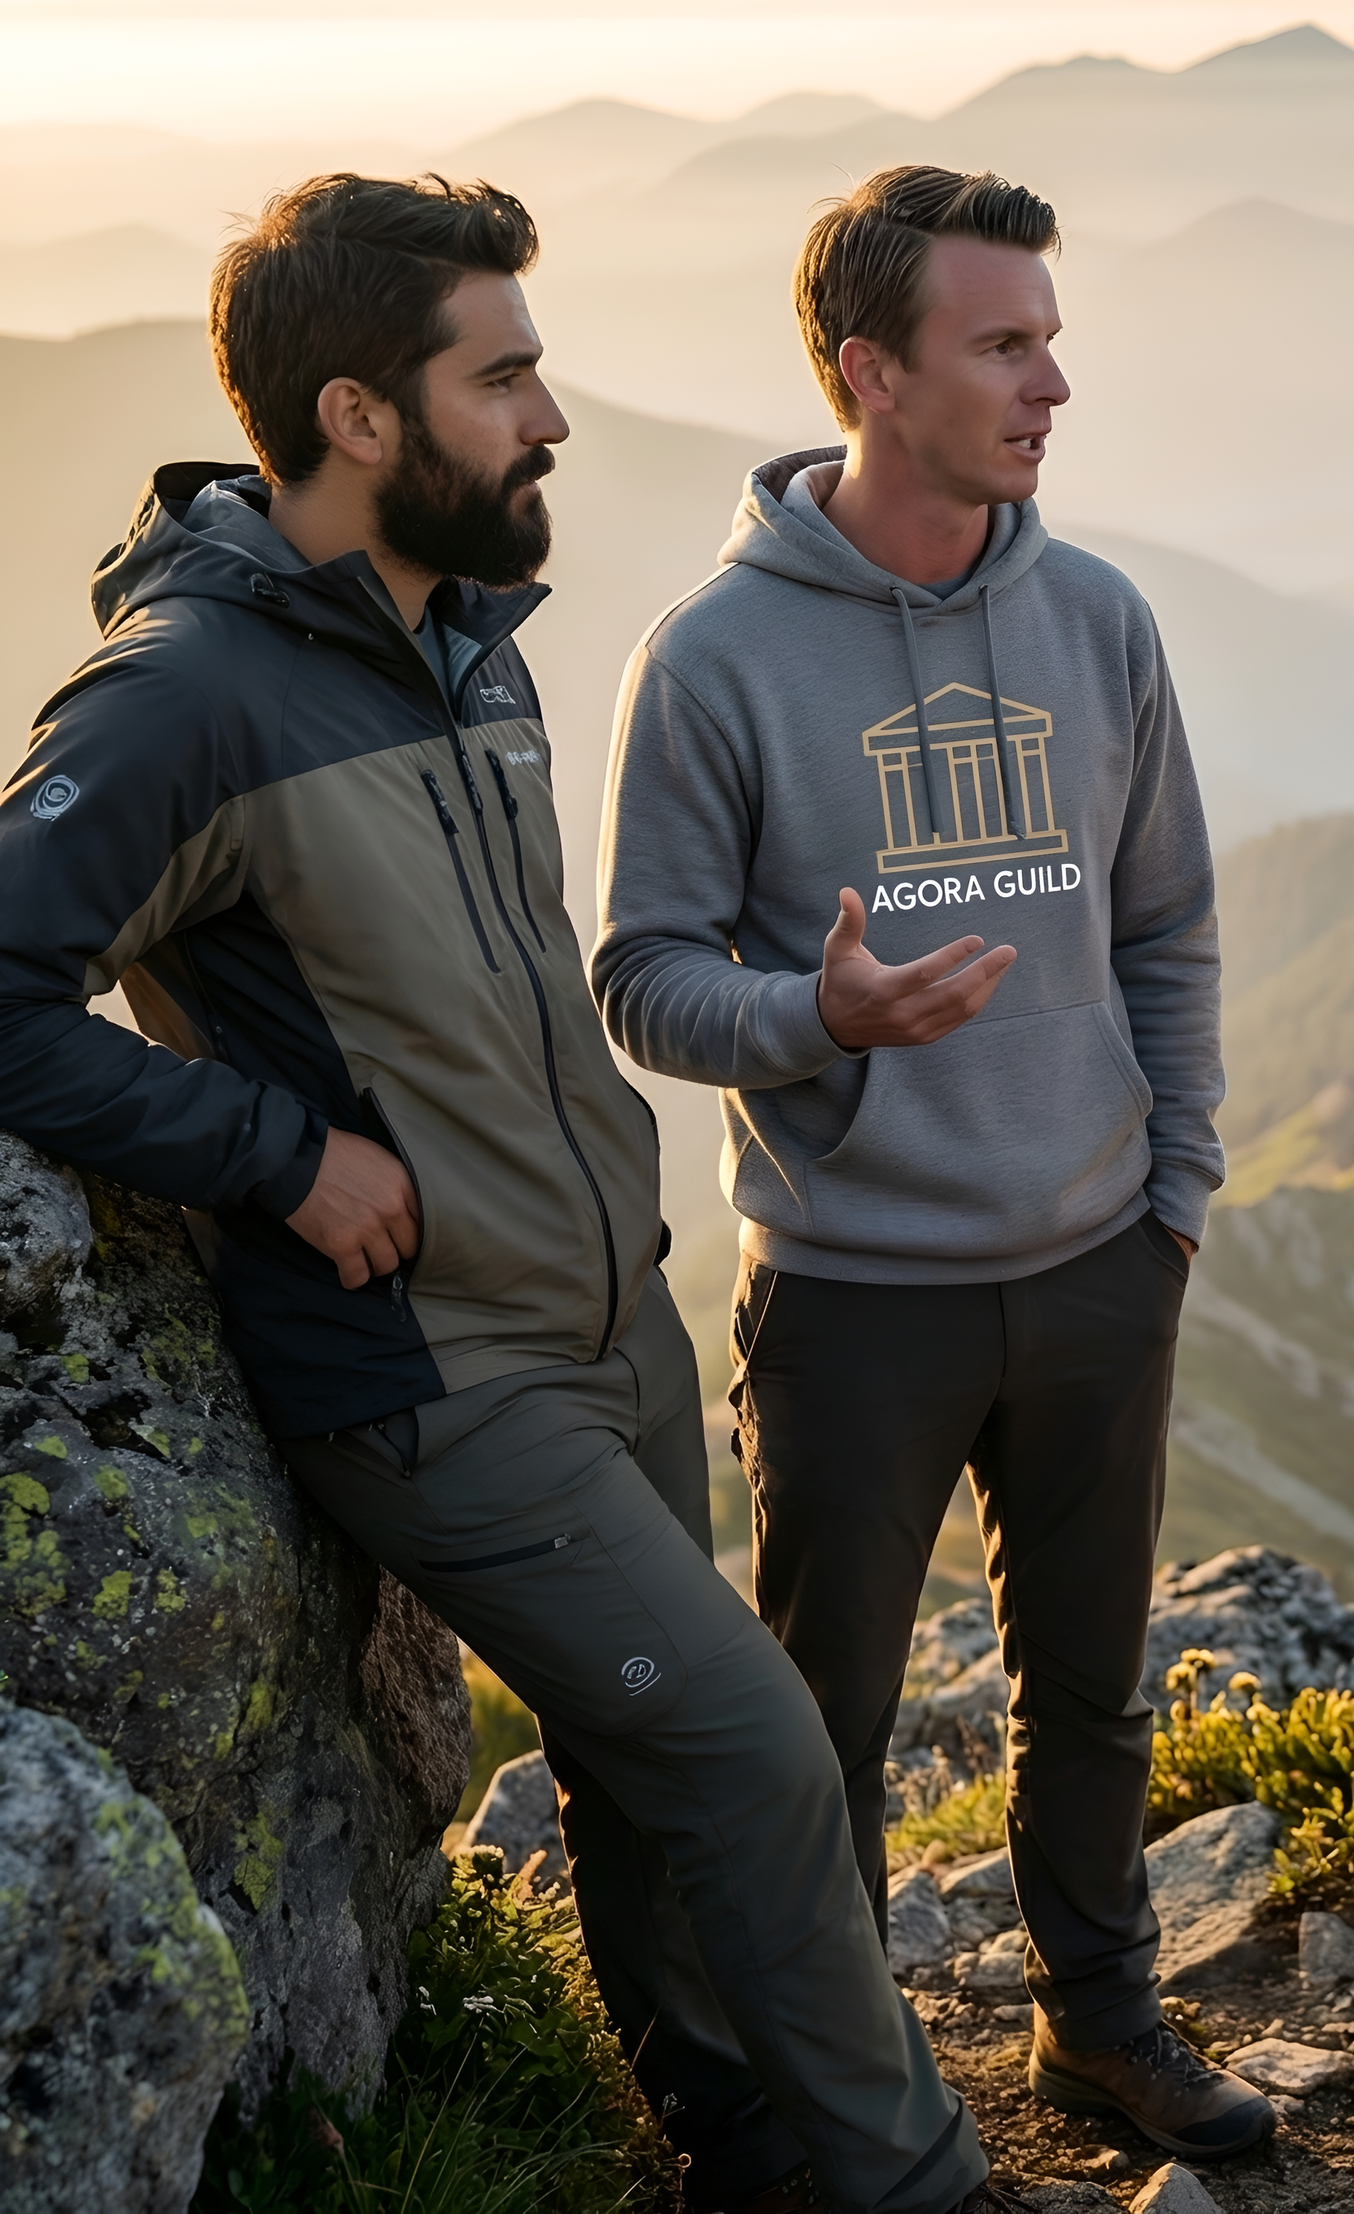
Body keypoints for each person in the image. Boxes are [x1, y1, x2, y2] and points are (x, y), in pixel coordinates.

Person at [0, 173, 1004, 2214]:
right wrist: (276, 1152)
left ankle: (746, 2146)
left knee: (666, 1773)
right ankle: (916, 2184)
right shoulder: (185, 695)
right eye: (506, 374)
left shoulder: (463, 639)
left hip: (611, 1313)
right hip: (430, 1367)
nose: (552, 415)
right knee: (748, 1749)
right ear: (359, 415)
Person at [592, 165, 1268, 2163]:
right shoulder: (713, 655)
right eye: (1004, 342)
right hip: (851, 1288)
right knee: (823, 1725)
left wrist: (1174, 1192)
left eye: (1046, 335)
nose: (1050, 379)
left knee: (1091, 1688)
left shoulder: (1095, 614)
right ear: (867, 369)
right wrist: (821, 1020)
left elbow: (1167, 924)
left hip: (1093, 1258)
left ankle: (1098, 2024)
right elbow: (641, 976)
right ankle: (828, 2080)